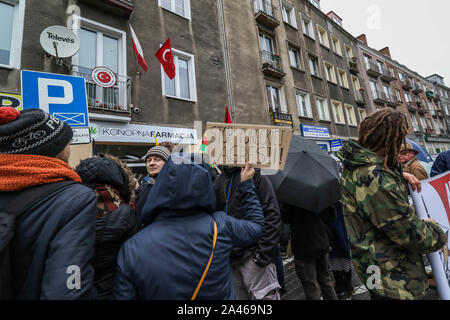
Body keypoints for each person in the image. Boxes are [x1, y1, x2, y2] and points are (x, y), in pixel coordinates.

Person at [112, 155, 265, 299]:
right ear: (204, 186)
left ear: (160, 187)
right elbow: (256, 226)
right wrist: (246, 185)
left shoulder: (132, 247)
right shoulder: (220, 226)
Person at [337, 108, 447, 300]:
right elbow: (412, 235)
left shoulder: (357, 164)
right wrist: (435, 227)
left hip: (376, 271)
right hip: (395, 282)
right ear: (390, 142)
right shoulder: (376, 178)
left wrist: (399, 174)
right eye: (399, 140)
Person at [0, 107, 97, 299]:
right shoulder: (76, 198)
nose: (70, 148)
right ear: (55, 149)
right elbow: (67, 290)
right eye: (68, 143)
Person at [75, 154, 141, 299]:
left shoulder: (70, 204)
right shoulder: (124, 210)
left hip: (75, 285)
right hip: (113, 287)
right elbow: (134, 258)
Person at [214, 166, 282, 300]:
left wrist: (262, 255)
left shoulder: (256, 175)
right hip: (231, 261)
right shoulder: (219, 180)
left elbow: (272, 215)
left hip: (254, 258)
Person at [281, 203, 338, 300]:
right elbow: (332, 216)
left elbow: (286, 217)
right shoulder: (322, 191)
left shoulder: (292, 195)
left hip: (303, 246)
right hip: (321, 241)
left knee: (311, 287)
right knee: (326, 280)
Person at [134, 143, 172, 217]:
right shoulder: (142, 189)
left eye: (157, 160)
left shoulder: (175, 188)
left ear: (168, 163)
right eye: (148, 160)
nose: (151, 163)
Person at [329, 201, 354, 300]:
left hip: (337, 230)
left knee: (338, 258)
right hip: (343, 228)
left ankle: (342, 286)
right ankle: (346, 284)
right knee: (344, 257)